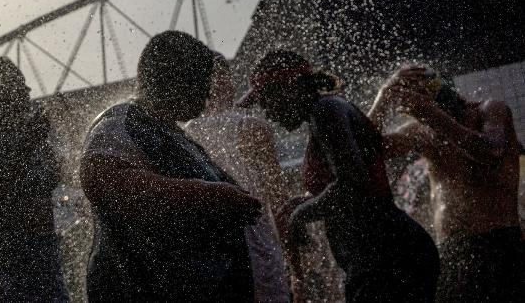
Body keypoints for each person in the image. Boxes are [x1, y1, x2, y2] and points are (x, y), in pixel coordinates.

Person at [238, 50, 439, 303]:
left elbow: (353, 185)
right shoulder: (325, 112)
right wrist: (305, 201)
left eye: (266, 100)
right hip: (382, 257)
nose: (265, 111)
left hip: (387, 259)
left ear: (288, 88)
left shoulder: (327, 111)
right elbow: (347, 184)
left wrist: (300, 215)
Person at [80, 31, 262, 302]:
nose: (208, 90)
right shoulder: (122, 121)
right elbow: (101, 179)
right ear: (174, 78)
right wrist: (210, 196)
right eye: (201, 78)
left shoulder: (171, 133)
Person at [369, 66, 524, 303]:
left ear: (440, 91)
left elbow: (491, 151)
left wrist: (433, 117)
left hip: (499, 243)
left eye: (418, 101)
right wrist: (384, 96)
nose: (414, 112)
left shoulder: (489, 109)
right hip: (451, 250)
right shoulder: (421, 131)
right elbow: (365, 148)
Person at [185, 54, 293, 303]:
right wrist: (295, 259)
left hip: (213, 255)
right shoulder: (252, 127)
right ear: (224, 82)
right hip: (257, 248)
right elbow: (278, 200)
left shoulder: (185, 135)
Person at [0, 58, 69, 302]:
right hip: (9, 259)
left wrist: (40, 142)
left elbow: (53, 177)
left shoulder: (28, 133)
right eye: (19, 85)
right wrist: (27, 146)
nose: (28, 91)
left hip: (45, 251)